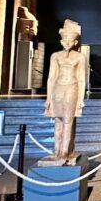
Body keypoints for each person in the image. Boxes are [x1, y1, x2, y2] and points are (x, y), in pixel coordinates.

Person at [43, 19, 86, 163]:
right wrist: (48, 99)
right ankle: (56, 150)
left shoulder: (80, 57)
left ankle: (65, 151)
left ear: (75, 42)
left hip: (71, 87)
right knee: (58, 120)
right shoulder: (55, 56)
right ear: (61, 41)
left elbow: (81, 79)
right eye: (65, 39)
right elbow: (51, 78)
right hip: (58, 89)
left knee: (68, 120)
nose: (67, 42)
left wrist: (80, 99)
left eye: (70, 40)